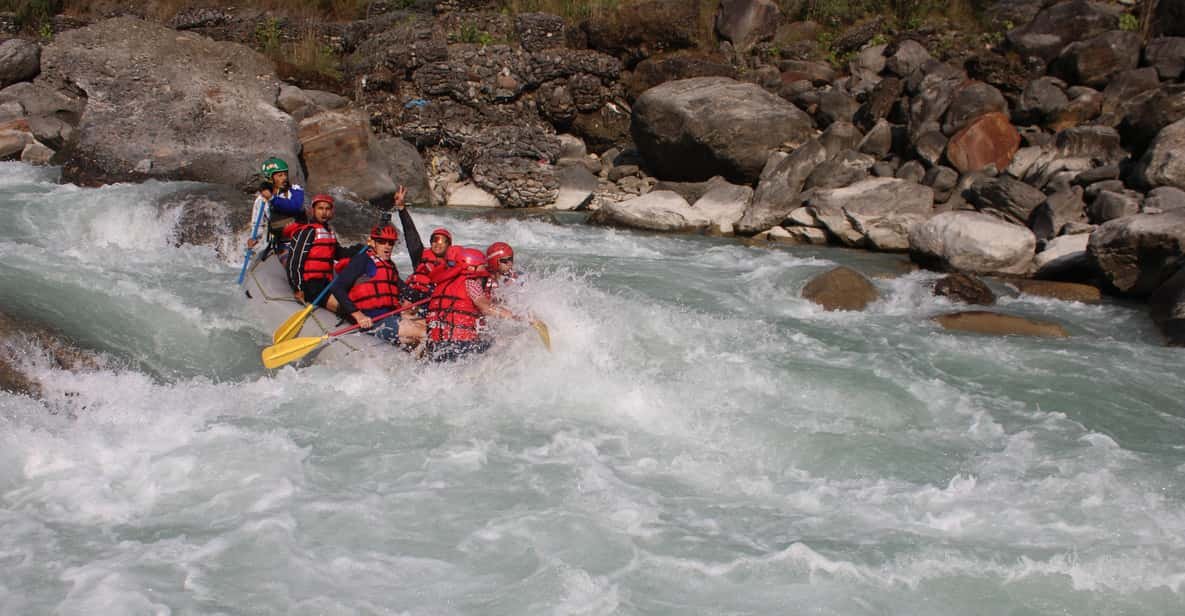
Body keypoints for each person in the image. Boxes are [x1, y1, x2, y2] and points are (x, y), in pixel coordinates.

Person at [425, 247, 532, 362]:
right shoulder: (471, 283)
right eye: (481, 265)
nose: (484, 268)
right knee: (502, 344)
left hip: (436, 347)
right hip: (460, 345)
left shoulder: (441, 285)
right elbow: (487, 308)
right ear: (471, 266)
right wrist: (516, 317)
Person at [330, 225, 426, 347]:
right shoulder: (363, 261)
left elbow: (405, 291)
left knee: (428, 326)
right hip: (373, 321)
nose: (387, 246)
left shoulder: (389, 266)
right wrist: (359, 316)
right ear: (373, 243)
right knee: (423, 332)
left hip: (389, 316)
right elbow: (337, 288)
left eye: (390, 243)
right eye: (382, 242)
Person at [285, 194, 351, 311]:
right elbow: (295, 261)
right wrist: (298, 288)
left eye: (327, 209)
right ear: (313, 211)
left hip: (326, 283)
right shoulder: (308, 231)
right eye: (320, 208)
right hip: (310, 285)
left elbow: (338, 253)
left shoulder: (329, 232)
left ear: (332, 212)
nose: (324, 212)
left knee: (351, 300)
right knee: (345, 308)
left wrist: (359, 252)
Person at [248, 157, 305, 253]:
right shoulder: (261, 200)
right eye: (280, 175)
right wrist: (254, 238)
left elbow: (295, 206)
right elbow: (257, 224)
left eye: (285, 174)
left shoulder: (296, 190)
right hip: (280, 243)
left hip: (301, 240)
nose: (285, 178)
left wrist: (272, 199)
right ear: (270, 179)